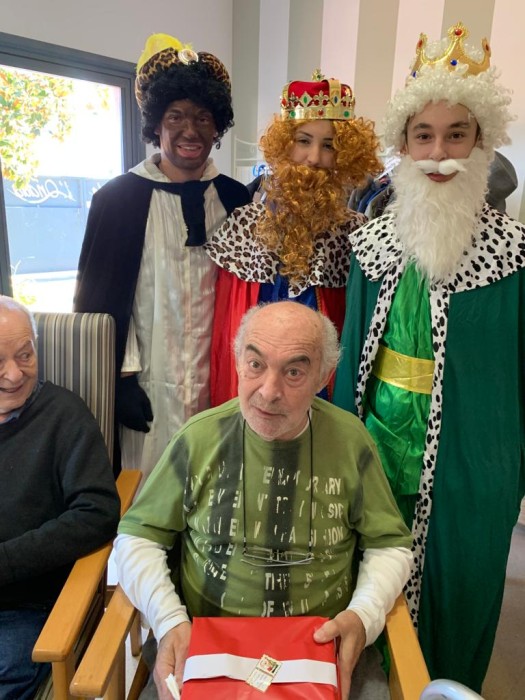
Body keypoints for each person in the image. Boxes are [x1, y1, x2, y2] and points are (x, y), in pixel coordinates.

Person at [333, 21, 525, 692]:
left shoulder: (515, 256)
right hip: (376, 446)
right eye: (423, 136)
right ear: (403, 144)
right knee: (365, 584)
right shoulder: (370, 246)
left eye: (456, 135)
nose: (439, 154)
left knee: (460, 591)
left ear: (481, 142)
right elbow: (351, 358)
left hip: (474, 462)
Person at [115, 301, 413, 700]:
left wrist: (363, 615)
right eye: (256, 365)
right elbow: (137, 538)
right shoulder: (197, 439)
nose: (269, 392)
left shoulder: (350, 440)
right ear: (238, 363)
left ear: (324, 376)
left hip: (322, 649)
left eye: (294, 372)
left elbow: (390, 544)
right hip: (202, 646)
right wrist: (169, 620)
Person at [74, 33, 250, 478]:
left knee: (214, 485)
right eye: (176, 116)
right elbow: (97, 302)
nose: (191, 131)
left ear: (217, 127)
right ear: (156, 124)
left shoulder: (236, 200)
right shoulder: (117, 199)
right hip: (146, 385)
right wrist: (121, 379)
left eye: (203, 117)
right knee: (148, 492)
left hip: (220, 381)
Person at [206, 71, 382, 406]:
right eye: (304, 141)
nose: (314, 158)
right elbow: (226, 334)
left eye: (328, 145)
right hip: (258, 386)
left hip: (321, 390)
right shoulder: (244, 225)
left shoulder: (357, 233)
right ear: (284, 145)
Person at [0, 296, 120, 700]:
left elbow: (97, 513)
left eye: (25, 355)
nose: (15, 374)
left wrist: (7, 561)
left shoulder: (64, 415)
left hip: (24, 606)